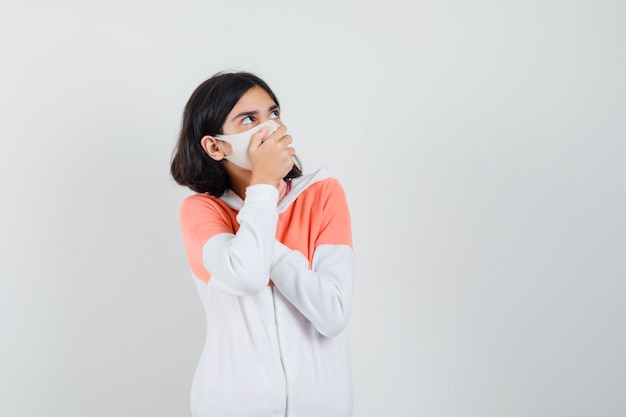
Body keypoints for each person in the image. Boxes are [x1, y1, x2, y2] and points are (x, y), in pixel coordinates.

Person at [170, 71, 355, 417]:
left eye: (273, 113)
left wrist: (259, 220)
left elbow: (333, 313)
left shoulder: (322, 194)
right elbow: (246, 276)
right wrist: (264, 189)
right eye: (248, 119)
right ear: (215, 146)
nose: (269, 127)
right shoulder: (201, 211)